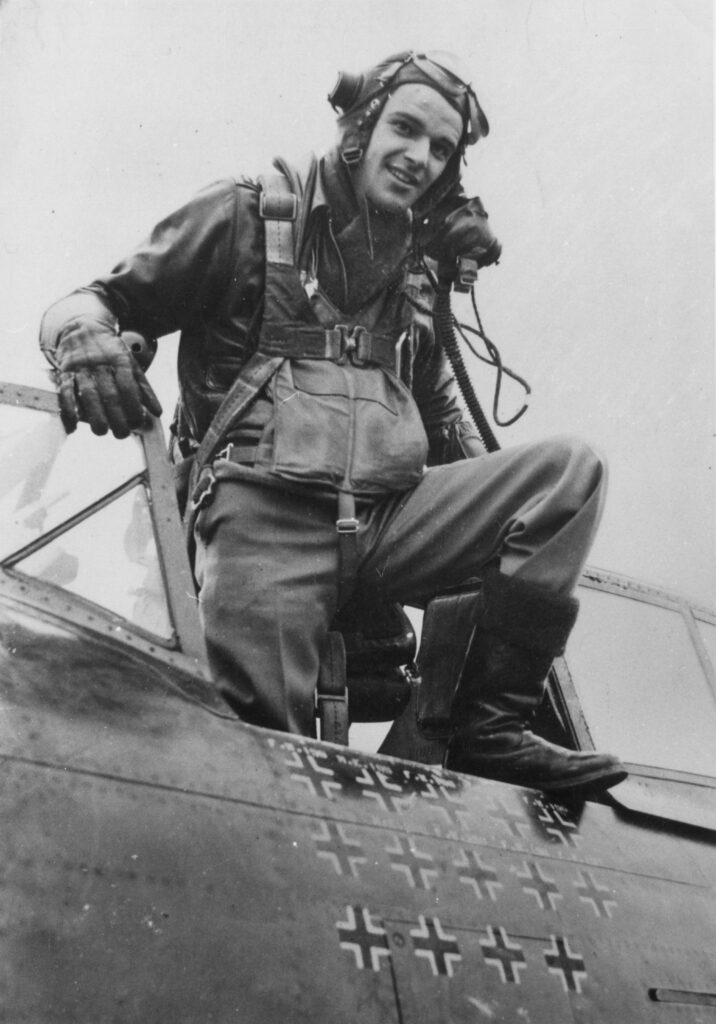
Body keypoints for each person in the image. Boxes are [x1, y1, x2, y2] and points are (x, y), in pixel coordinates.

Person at [39, 51, 626, 793]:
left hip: (384, 518)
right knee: (259, 765)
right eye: (405, 130)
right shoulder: (243, 215)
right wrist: (83, 339)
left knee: (569, 474)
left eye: (440, 150)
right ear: (359, 128)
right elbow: (92, 300)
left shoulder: (416, 271)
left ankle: (490, 730)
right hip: (264, 517)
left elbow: (456, 433)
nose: (419, 158)